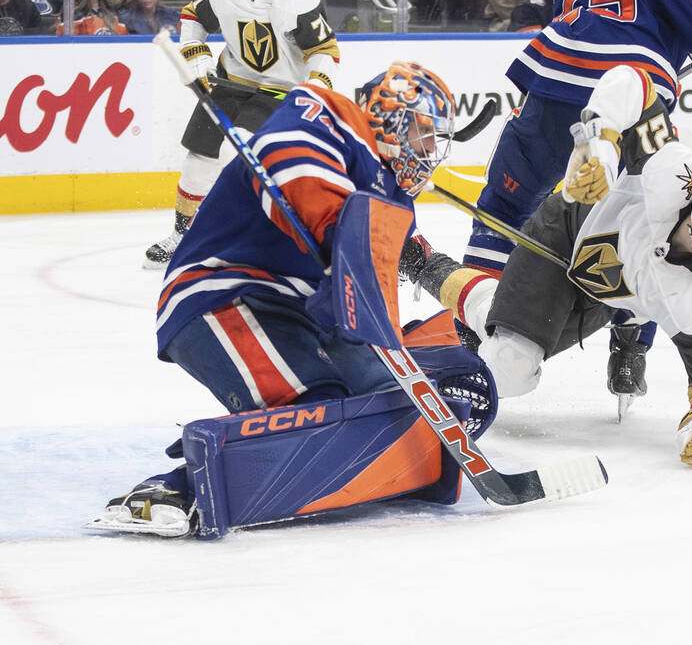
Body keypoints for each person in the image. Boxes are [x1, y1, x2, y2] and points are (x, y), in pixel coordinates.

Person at [94, 62, 486, 537]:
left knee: (384, 402)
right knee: (317, 404)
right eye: (427, 136)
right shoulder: (325, 111)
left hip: (298, 312)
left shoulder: (390, 193)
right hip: (225, 294)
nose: (430, 153)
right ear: (396, 120)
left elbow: (377, 283)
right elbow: (289, 158)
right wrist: (334, 233)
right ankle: (175, 487)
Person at [405, 65, 692, 466]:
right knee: (511, 367)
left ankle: (629, 334)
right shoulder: (670, 171)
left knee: (513, 326)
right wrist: (600, 147)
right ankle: (425, 264)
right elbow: (633, 82)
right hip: (567, 231)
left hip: (611, 292)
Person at [464, 0, 692, 401]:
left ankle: (464, 343)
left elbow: (600, 20)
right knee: (653, 220)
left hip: (548, 87)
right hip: (627, 99)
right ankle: (630, 346)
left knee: (501, 213)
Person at [143, 0, 339, 269]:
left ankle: (245, 239)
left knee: (243, 156)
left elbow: (324, 48)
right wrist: (198, 56)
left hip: (278, 92)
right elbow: (193, 16)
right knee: (197, 161)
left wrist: (314, 87)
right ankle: (182, 235)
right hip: (228, 81)